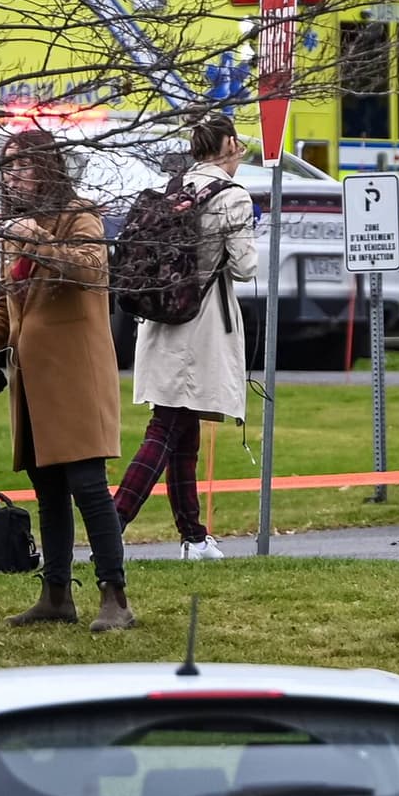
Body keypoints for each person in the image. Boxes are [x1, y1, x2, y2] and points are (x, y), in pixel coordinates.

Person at [0, 123, 134, 631]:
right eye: (7, 167)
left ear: (47, 168)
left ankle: (115, 596)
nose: (13, 175)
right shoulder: (14, 228)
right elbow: (8, 302)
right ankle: (56, 593)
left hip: (75, 378)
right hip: (32, 383)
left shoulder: (79, 215)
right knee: (47, 490)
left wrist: (38, 240)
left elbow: (90, 270)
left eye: (23, 164)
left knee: (88, 485)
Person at [113, 112, 258, 557]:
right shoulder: (232, 197)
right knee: (167, 427)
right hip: (200, 325)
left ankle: (194, 536)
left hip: (160, 320)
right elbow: (245, 267)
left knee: (182, 429)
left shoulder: (174, 188)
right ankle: (111, 526)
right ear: (229, 145)